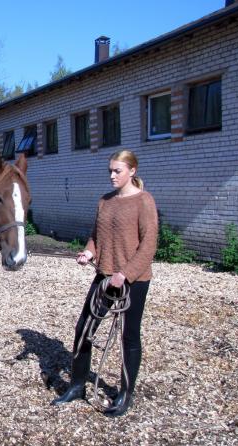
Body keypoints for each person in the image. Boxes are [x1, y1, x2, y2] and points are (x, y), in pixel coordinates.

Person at [52, 150, 158, 417]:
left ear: (132, 171)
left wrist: (126, 273)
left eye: (117, 171)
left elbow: (149, 245)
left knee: (128, 337)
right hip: (104, 277)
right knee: (83, 329)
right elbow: (96, 236)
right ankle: (77, 386)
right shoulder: (105, 201)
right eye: (110, 171)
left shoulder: (143, 201)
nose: (112, 175)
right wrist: (89, 252)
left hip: (133, 280)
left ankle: (125, 394)